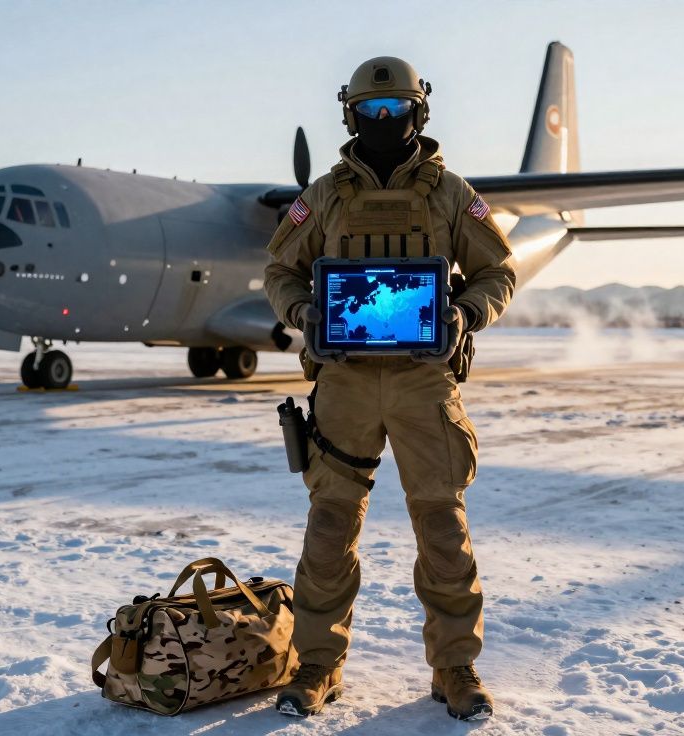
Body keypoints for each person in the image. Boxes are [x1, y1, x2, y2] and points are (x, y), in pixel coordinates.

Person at [263, 55, 516, 721]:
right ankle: (317, 665)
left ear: (417, 113)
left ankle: (455, 668)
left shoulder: (450, 193)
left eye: (394, 110)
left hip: (422, 382)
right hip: (345, 383)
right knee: (328, 526)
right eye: (371, 112)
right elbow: (278, 272)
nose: (383, 121)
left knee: (441, 526)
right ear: (350, 114)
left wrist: (464, 313)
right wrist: (305, 314)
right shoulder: (322, 196)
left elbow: (500, 271)